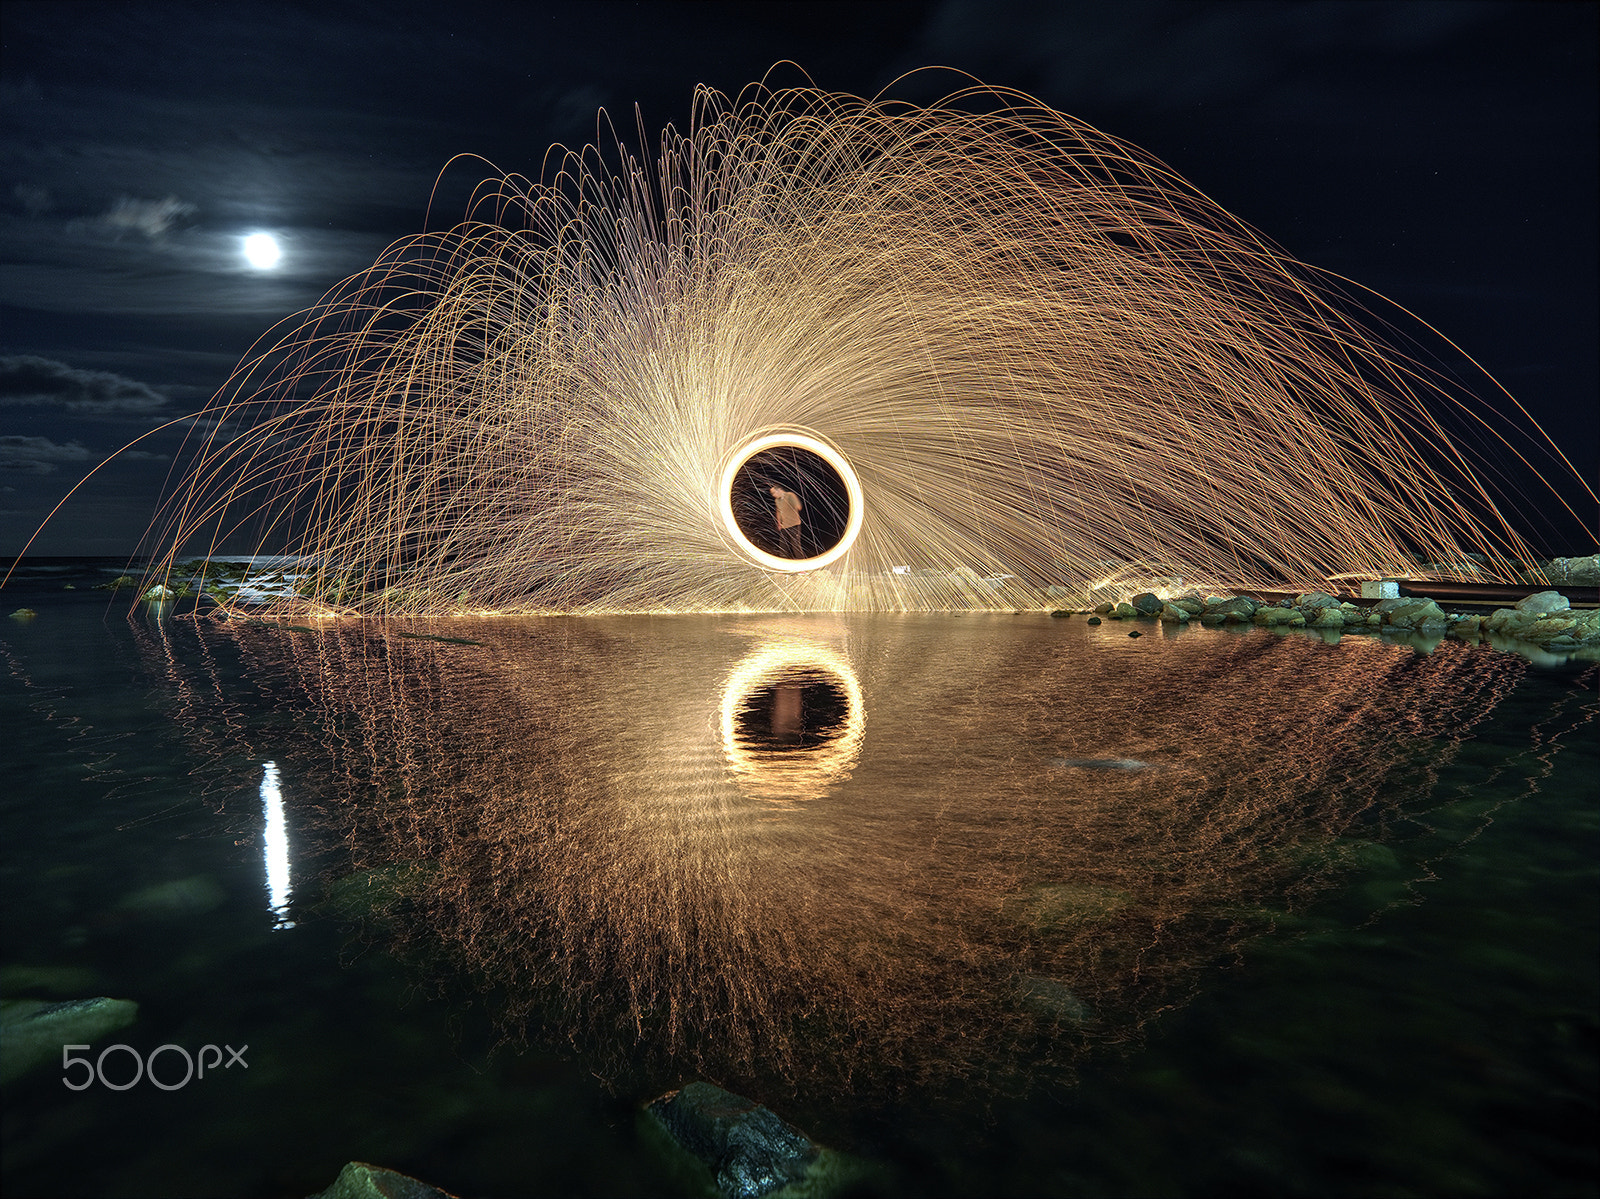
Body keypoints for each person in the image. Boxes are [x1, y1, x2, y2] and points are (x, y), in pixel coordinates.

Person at [769, 485, 803, 558]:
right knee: (783, 547)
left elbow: (799, 507)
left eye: (774, 493)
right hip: (784, 526)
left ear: (779, 490)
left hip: (794, 525)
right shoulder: (777, 500)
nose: (774, 495)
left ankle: (802, 564)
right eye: (772, 494)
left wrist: (794, 504)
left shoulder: (790, 495)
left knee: (795, 546)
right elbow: (778, 511)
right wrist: (779, 523)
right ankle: (784, 564)